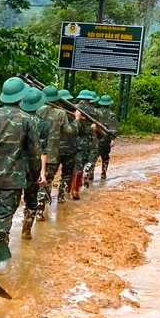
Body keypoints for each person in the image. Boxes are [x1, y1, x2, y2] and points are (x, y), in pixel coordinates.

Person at [0, 76, 43, 247]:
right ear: (21, 97)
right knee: (4, 216)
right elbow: (34, 153)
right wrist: (34, 175)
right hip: (14, 179)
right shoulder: (28, 120)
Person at [36, 85, 75, 218]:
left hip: (36, 153)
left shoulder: (37, 110)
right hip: (51, 153)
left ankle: (37, 206)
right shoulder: (60, 113)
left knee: (38, 180)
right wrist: (77, 121)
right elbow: (68, 131)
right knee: (47, 180)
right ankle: (40, 210)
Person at [19, 87, 49, 239]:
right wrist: (42, 173)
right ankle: (26, 229)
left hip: (15, 169)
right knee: (31, 199)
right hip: (33, 168)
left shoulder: (17, 119)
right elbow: (42, 151)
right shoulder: (43, 124)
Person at [73, 89, 99, 197]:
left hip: (73, 141)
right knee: (84, 162)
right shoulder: (95, 112)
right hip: (87, 142)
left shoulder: (72, 107)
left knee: (73, 166)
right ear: (90, 99)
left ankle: (71, 189)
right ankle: (76, 190)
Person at [96, 94, 118, 179]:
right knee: (105, 157)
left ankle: (90, 174)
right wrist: (112, 139)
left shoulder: (96, 112)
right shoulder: (112, 114)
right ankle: (103, 172)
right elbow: (113, 129)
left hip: (96, 138)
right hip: (106, 139)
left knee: (93, 157)